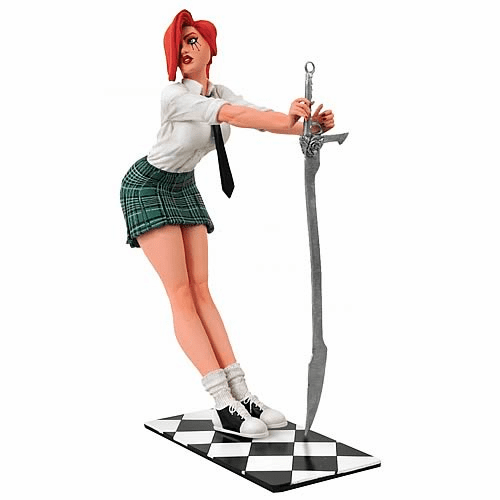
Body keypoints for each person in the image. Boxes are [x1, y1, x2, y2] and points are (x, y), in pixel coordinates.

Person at [120, 9, 335, 439]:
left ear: (210, 48)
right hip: (147, 186)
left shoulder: (220, 91)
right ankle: (222, 401)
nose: (185, 49)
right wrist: (288, 121)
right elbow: (234, 116)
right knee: (181, 293)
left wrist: (306, 125)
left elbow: (257, 115)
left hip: (183, 185)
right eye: (179, 44)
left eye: (192, 40)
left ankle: (241, 392)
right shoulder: (174, 95)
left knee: (202, 289)